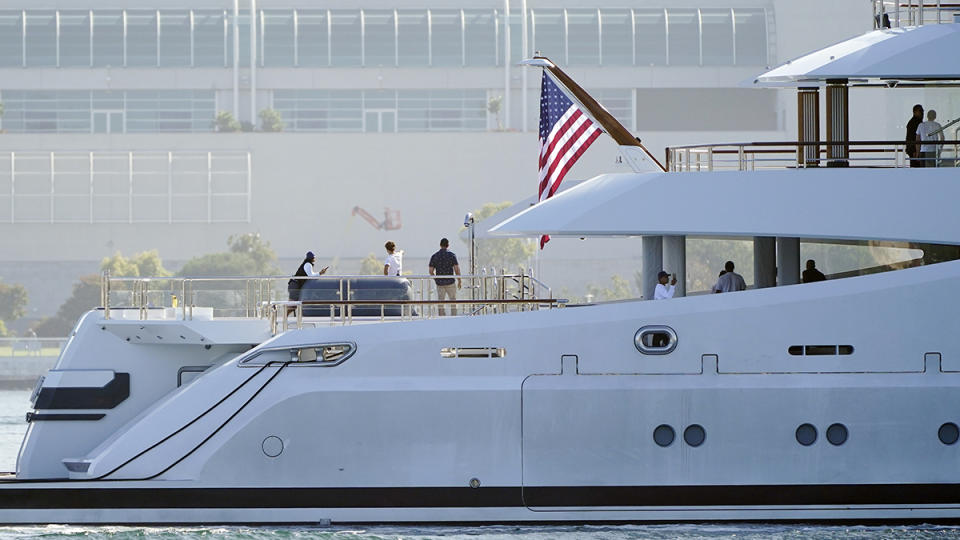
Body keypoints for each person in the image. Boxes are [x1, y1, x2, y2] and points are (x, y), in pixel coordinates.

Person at [428, 238, 462, 316]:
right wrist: (459, 280)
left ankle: (441, 318)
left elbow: (430, 271)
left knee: (441, 302)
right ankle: (454, 317)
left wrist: (436, 279)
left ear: (440, 245)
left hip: (440, 283)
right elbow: (457, 269)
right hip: (450, 282)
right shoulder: (452, 255)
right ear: (448, 245)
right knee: (453, 301)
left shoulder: (435, 256)